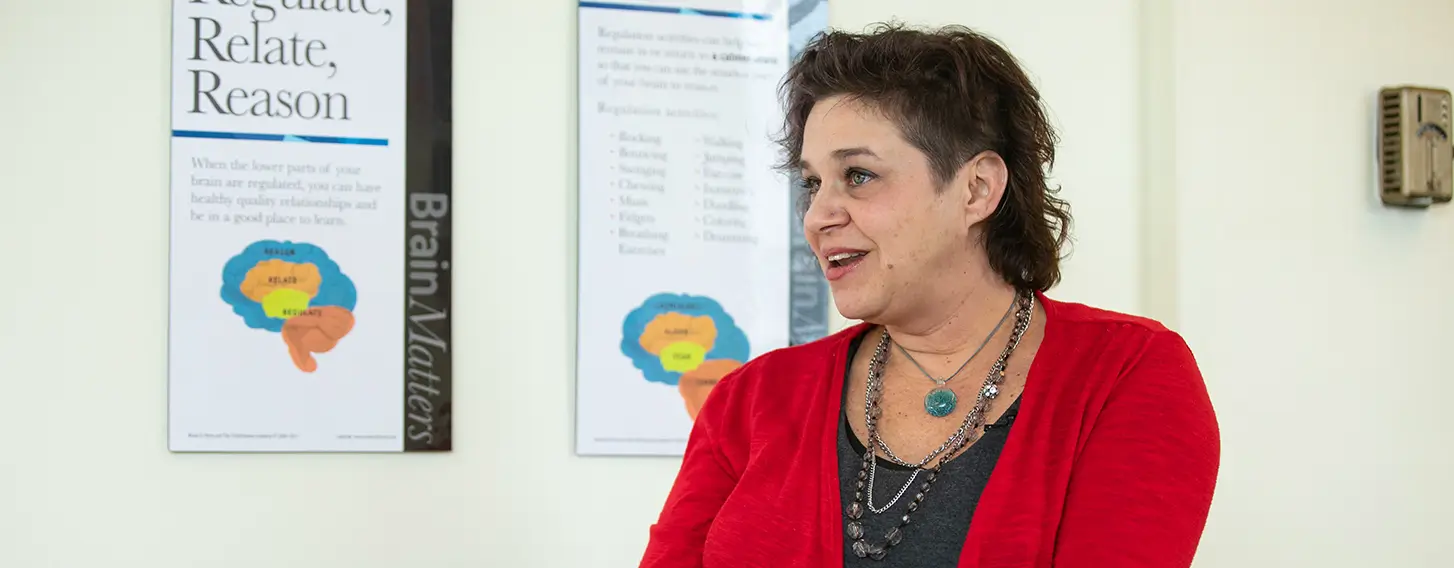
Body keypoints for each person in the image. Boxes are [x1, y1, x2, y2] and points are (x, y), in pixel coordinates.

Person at [639, 23, 1220, 568]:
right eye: (813, 183)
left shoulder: (1126, 373)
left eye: (858, 176)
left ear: (976, 188)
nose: (817, 216)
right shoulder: (750, 400)